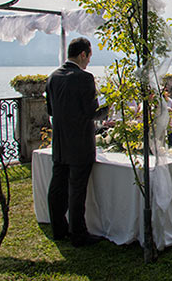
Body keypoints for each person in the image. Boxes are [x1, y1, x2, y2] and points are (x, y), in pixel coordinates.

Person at [46, 37, 105, 247]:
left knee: (58, 186)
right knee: (77, 190)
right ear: (83, 54)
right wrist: (111, 106)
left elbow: (50, 111)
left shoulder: (53, 77)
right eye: (89, 56)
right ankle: (79, 234)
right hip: (80, 142)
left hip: (60, 142)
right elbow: (94, 112)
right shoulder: (84, 78)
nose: (89, 61)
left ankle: (58, 229)